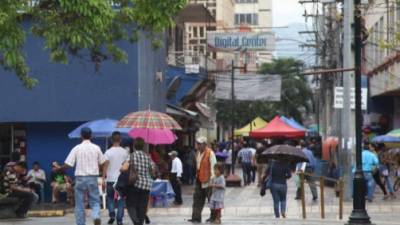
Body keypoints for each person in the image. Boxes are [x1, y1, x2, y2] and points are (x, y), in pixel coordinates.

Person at [57, 127, 105, 225]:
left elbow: (68, 164)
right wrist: (98, 169)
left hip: (80, 179)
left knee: (79, 204)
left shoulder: (76, 148)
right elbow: (102, 162)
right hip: (92, 178)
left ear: (81, 136)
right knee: (95, 201)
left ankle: (81, 223)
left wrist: (60, 168)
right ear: (91, 136)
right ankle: (95, 216)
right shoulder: (96, 148)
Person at [120, 138, 154, 225]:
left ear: (134, 146)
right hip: (146, 185)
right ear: (143, 146)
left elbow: (124, 168)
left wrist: (121, 168)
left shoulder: (131, 156)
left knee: (130, 204)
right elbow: (153, 171)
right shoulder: (148, 157)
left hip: (134, 184)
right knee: (142, 207)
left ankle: (136, 221)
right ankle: (140, 223)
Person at [188, 136, 217, 223]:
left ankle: (213, 217)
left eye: (200, 144)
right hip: (199, 179)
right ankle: (196, 217)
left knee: (211, 200)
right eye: (197, 144)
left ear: (205, 144)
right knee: (197, 199)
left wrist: (212, 180)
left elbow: (213, 167)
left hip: (209, 180)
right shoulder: (198, 153)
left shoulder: (210, 153)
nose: (198, 145)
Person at [102, 131, 129, 225]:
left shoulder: (108, 152)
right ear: (120, 140)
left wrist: (103, 179)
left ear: (111, 140)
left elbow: (105, 166)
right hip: (121, 180)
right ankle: (119, 220)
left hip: (110, 179)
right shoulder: (125, 152)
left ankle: (112, 214)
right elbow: (127, 166)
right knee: (121, 199)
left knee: (110, 198)